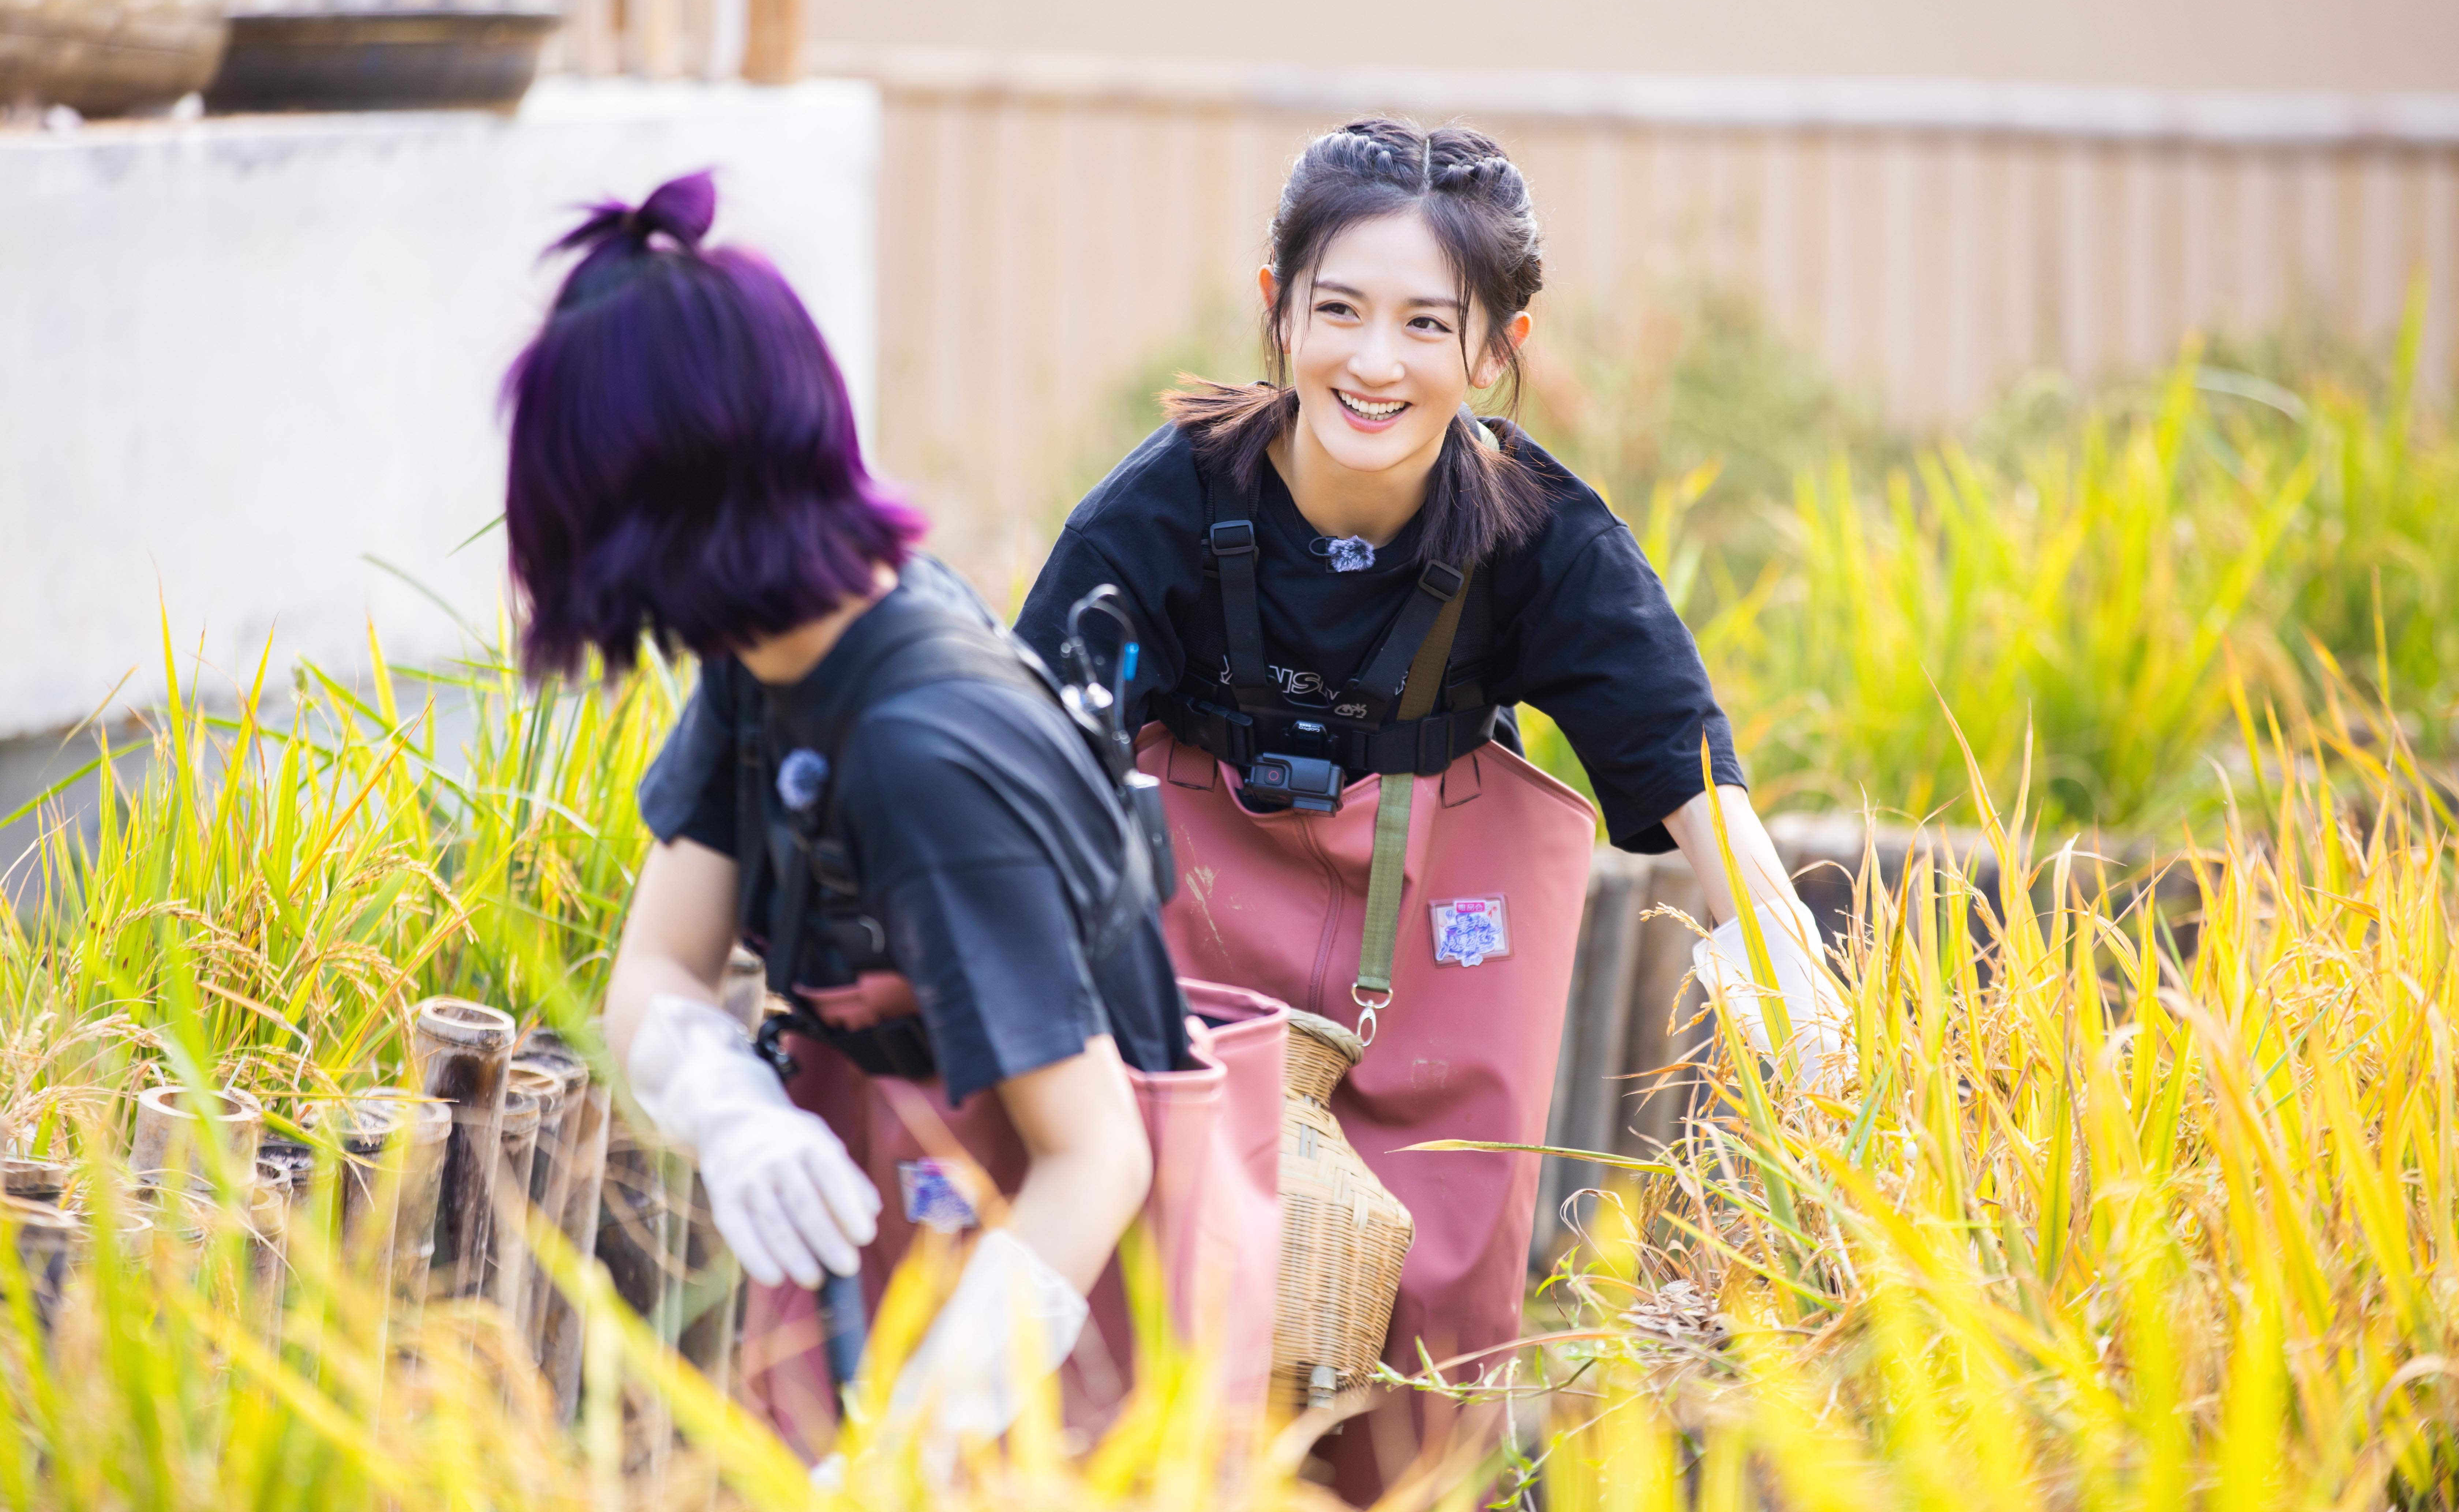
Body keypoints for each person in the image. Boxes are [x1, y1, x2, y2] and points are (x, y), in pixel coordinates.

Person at [1015, 117, 1845, 1497]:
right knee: (1168, 1287)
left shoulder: (1540, 532)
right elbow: (1028, 756)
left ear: (1498, 343)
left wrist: (1791, 980)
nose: (1376, 362)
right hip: (1191, 941)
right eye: (1339, 310)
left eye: (1426, 324)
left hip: (1437, 942)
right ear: (1278, 309)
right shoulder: (1156, 513)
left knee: (1443, 1307)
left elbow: (1681, 756)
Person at [500, 170, 1197, 1457]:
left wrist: (909, 1454)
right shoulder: (774, 657)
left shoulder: (920, 750)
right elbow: (656, 970)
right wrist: (727, 1107)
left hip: (1046, 1353)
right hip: (902, 1256)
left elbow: (1100, 1158)